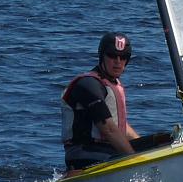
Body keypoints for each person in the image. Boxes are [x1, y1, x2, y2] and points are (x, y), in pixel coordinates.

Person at [61, 31, 142, 170]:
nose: (117, 61)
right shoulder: (87, 84)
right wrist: (136, 160)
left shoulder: (113, 84)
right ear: (102, 56)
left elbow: (121, 127)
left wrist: (144, 146)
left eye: (123, 57)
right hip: (84, 155)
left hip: (108, 153)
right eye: (112, 55)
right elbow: (108, 129)